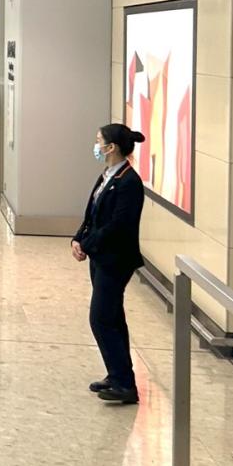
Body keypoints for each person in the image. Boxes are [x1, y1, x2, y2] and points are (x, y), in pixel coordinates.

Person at [72, 123, 147, 405]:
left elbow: (118, 225)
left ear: (111, 147)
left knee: (101, 318)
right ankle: (118, 375)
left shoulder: (129, 182)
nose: (96, 145)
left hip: (116, 259)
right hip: (101, 256)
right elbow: (92, 214)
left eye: (99, 141)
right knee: (113, 317)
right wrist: (78, 238)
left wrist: (88, 244)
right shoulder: (107, 175)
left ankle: (125, 384)